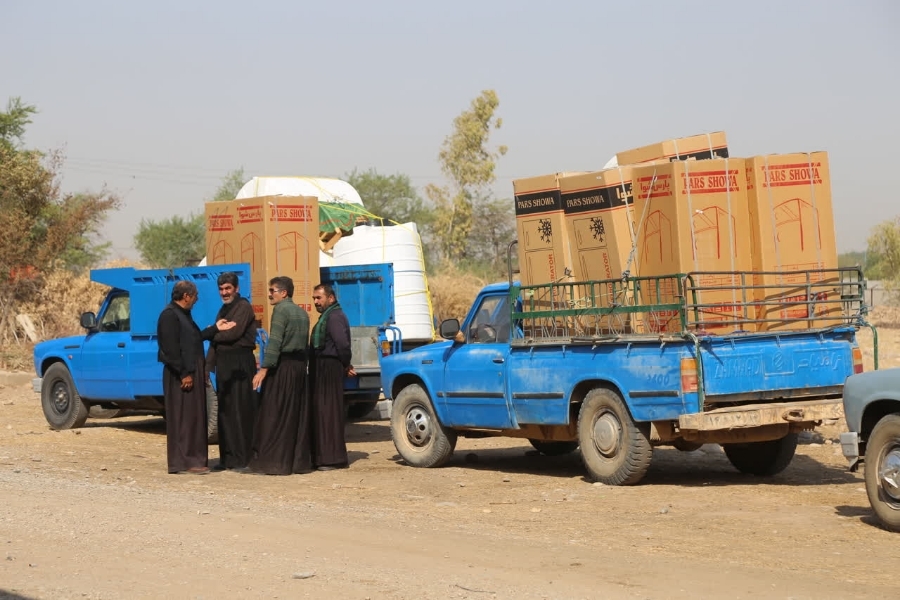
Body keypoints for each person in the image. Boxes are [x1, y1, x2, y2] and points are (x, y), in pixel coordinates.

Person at [157, 280, 232, 475]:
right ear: (186, 296)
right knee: (183, 418)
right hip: (181, 375)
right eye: (195, 295)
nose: (197, 299)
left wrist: (215, 328)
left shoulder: (184, 315)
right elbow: (170, 349)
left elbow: (194, 338)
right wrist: (184, 374)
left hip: (192, 372)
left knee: (194, 418)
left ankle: (194, 459)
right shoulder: (169, 316)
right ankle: (183, 462)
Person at [244, 276, 310, 475]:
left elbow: (275, 343)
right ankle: (296, 463)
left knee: (274, 415)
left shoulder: (281, 310)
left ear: (284, 293)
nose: (269, 294)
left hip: (283, 368)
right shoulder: (302, 313)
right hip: (299, 368)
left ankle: (273, 463)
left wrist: (264, 369)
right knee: (295, 415)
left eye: (272, 290)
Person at [203, 272, 258, 471]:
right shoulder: (223, 310)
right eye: (221, 289)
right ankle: (228, 459)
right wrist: (207, 368)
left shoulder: (243, 307)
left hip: (241, 363)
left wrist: (212, 332)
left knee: (241, 410)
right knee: (225, 412)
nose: (224, 292)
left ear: (236, 288)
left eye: (228, 288)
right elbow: (218, 342)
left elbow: (233, 334)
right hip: (224, 365)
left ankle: (244, 459)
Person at [308, 283, 354, 472]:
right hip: (323, 367)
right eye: (314, 299)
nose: (316, 302)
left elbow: (342, 345)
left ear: (331, 298)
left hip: (330, 367)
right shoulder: (328, 316)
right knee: (323, 412)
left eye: (319, 298)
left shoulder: (334, 317)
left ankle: (334, 458)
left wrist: (345, 364)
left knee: (329, 412)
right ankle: (324, 456)